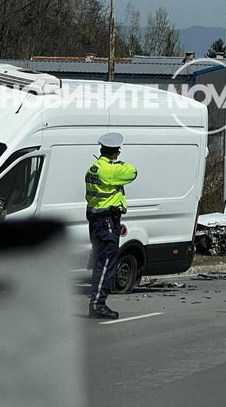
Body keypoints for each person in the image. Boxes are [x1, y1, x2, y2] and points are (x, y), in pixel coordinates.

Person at [85, 132, 138, 319]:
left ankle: (97, 302)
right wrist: (118, 163)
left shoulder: (93, 168)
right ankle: (98, 304)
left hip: (96, 220)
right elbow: (133, 172)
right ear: (117, 152)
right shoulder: (111, 170)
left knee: (101, 262)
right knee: (106, 264)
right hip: (107, 220)